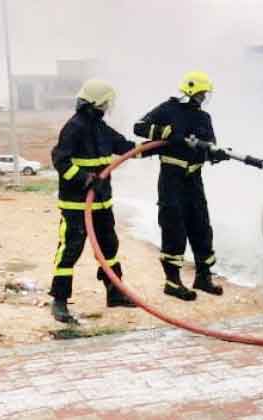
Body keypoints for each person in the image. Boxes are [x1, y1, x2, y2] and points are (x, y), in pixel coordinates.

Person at [133, 70, 229, 301]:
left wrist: (216, 154)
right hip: (171, 179)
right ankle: (172, 282)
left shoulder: (204, 118)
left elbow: (209, 146)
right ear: (190, 90)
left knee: (201, 227)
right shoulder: (168, 109)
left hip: (194, 180)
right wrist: (165, 132)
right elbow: (139, 127)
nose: (203, 97)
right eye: (201, 93)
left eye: (205, 94)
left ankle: (203, 277)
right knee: (174, 227)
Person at [49, 79, 138, 324]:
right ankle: (59, 301)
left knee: (109, 248)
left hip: (101, 203)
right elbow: (60, 160)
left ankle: (114, 293)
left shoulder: (101, 128)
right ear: (96, 103)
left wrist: (157, 147)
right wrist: (85, 179)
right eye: (105, 103)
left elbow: (125, 147)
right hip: (76, 205)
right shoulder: (74, 128)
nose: (107, 107)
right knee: (70, 249)